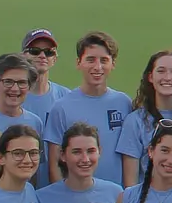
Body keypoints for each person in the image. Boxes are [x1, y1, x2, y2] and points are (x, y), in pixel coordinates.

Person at [43, 32, 134, 184]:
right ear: (79, 63)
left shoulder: (123, 103)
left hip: (114, 199)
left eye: (104, 60)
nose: (97, 67)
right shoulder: (62, 107)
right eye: (90, 60)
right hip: (75, 199)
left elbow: (129, 157)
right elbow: (55, 165)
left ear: (113, 64)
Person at [116, 49, 172, 186]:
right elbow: (130, 183)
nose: (167, 77)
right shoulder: (135, 121)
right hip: (148, 202)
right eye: (161, 71)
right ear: (150, 77)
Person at [36, 123, 125, 203]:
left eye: (91, 151)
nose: (85, 159)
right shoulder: (42, 198)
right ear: (63, 155)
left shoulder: (116, 193)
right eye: (77, 152)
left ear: (100, 151)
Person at [0, 54, 45, 184]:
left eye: (22, 83)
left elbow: (34, 172)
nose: (15, 89)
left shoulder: (35, 122)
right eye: (8, 82)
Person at [21, 29, 74, 122]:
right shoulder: (13, 95)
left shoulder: (66, 97)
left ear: (55, 59)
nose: (42, 56)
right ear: (23, 56)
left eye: (48, 52)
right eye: (35, 51)